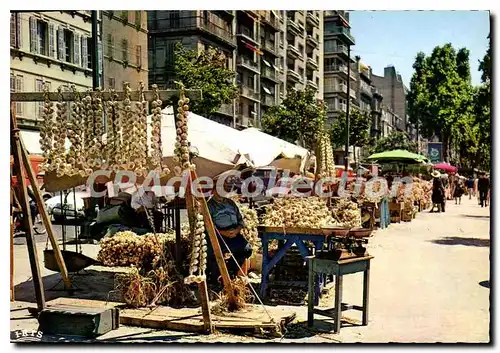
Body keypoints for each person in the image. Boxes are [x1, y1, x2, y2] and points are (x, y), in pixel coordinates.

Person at [206, 175, 252, 283]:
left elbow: (240, 221)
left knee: (246, 249)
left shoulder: (231, 203)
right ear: (213, 190)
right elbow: (209, 225)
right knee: (214, 253)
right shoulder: (209, 205)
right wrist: (223, 233)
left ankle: (237, 275)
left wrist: (237, 230)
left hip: (234, 233)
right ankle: (220, 275)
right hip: (219, 235)